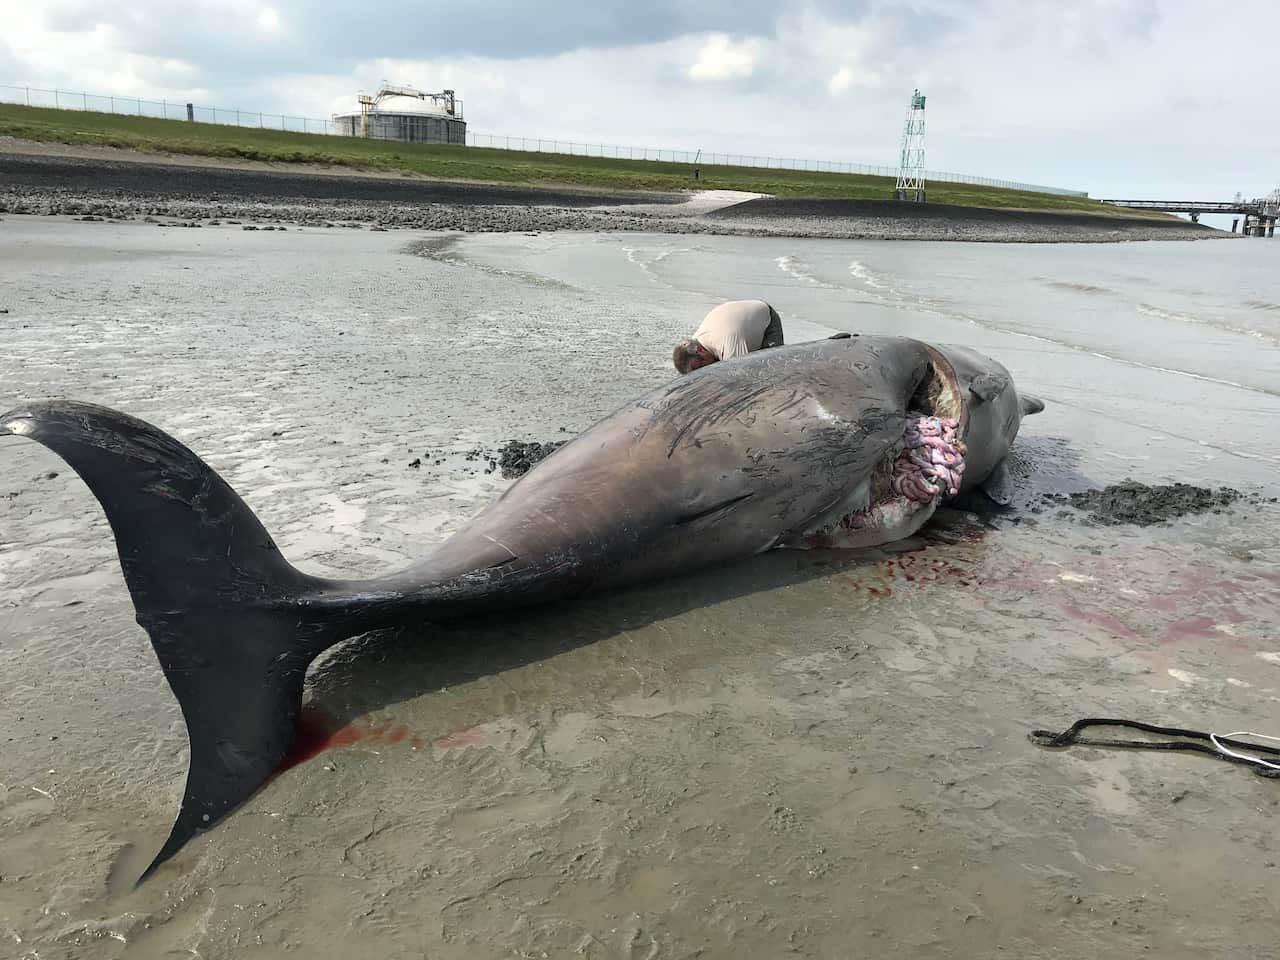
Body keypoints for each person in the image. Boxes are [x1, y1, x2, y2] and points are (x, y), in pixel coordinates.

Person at [672, 299, 785, 374]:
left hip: (765, 318)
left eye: (700, 367)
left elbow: (742, 378)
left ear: (701, 351)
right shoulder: (696, 341)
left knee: (771, 370)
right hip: (734, 320)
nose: (702, 371)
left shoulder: (729, 349)